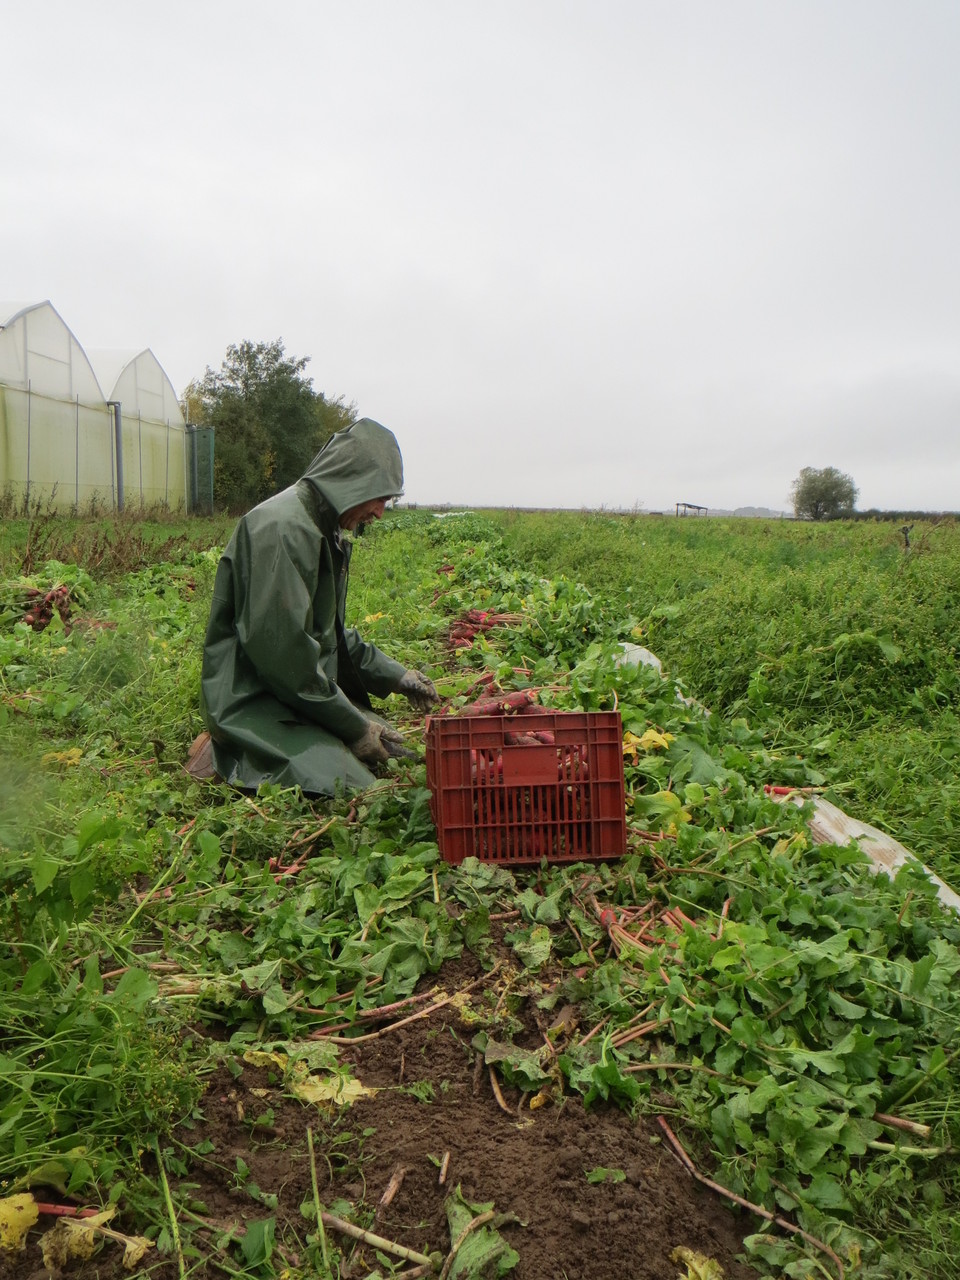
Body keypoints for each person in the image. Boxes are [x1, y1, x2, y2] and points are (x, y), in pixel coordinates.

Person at [187, 418, 439, 792]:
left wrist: (395, 675)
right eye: (381, 498)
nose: (380, 513)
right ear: (353, 481)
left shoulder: (321, 524)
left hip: (295, 692)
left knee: (395, 749)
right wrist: (354, 727)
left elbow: (327, 635)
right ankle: (222, 748)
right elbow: (286, 658)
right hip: (255, 703)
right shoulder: (284, 530)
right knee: (364, 788)